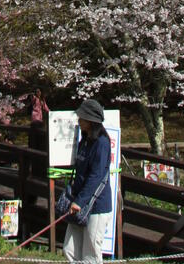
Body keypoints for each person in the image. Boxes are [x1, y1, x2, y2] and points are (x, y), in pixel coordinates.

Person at [63, 99, 112, 264]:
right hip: (79, 202)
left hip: (96, 205)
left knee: (90, 253)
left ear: (91, 121)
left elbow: (96, 176)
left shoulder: (102, 143)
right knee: (69, 249)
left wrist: (80, 201)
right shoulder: (85, 140)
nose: (79, 120)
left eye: (82, 118)